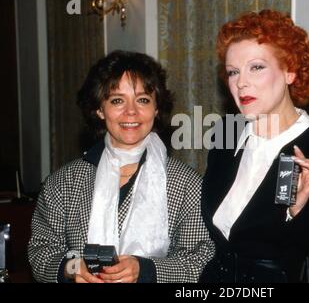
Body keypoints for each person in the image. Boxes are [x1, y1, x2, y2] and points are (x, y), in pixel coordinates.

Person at [200, 10, 309, 283]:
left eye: (256, 67)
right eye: (233, 72)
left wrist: (301, 213)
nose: (241, 83)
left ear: (290, 71)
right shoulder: (225, 139)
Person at [28, 50, 214, 283]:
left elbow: (201, 261)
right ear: (99, 109)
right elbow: (41, 252)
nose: (131, 112)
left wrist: (145, 270)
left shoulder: (187, 183)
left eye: (143, 100)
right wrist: (73, 267)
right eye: (117, 100)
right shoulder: (64, 182)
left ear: (156, 110)